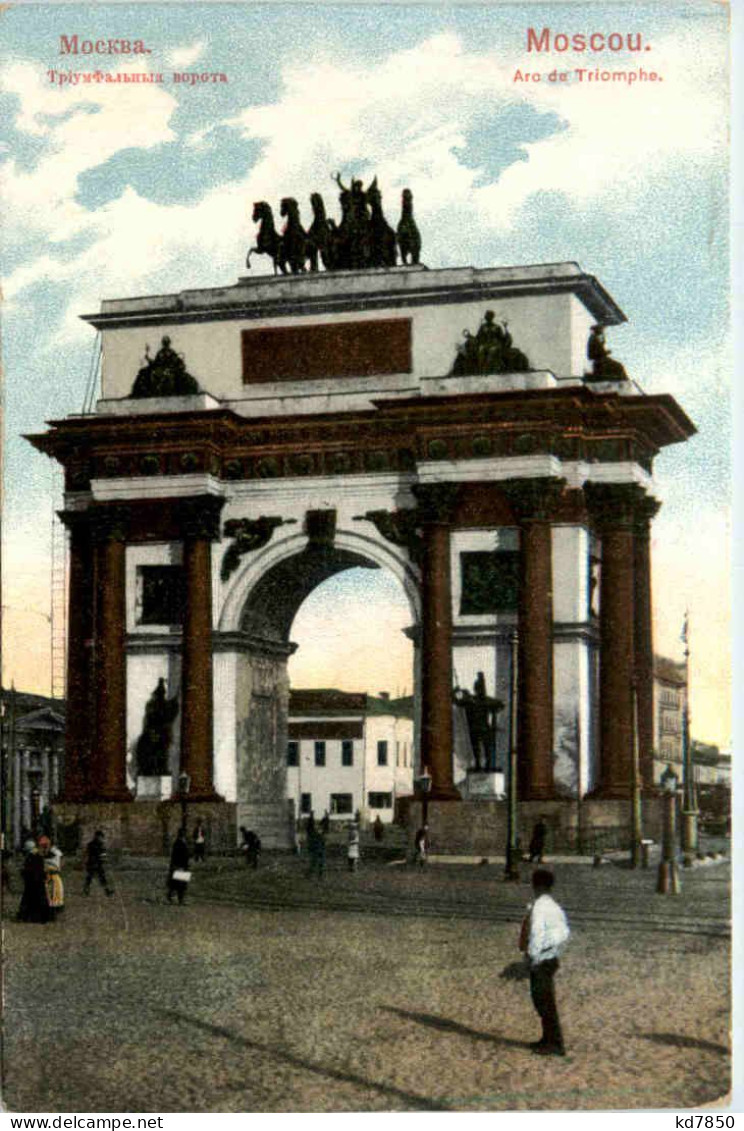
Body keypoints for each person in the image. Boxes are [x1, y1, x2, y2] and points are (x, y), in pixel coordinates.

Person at [519, 869, 570, 1057]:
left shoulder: (540, 907)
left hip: (541, 959)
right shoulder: (553, 906)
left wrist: (532, 956)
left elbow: (536, 933)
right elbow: (564, 931)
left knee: (543, 1001)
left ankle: (555, 1043)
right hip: (551, 958)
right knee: (543, 999)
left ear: (536, 885)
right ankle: (548, 1038)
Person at [17, 842, 50, 922]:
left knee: (29, 900)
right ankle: (43, 917)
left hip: (31, 883)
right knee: (41, 900)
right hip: (39, 882)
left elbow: (28, 871)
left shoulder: (29, 858)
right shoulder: (39, 857)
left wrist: (23, 873)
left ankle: (27, 917)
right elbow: (42, 870)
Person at [39, 836, 64, 919]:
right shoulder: (44, 852)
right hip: (47, 877)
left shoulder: (55, 852)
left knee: (55, 894)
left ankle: (53, 913)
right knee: (48, 895)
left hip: (53, 876)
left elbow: (59, 862)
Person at [83, 830, 114, 897]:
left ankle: (107, 891)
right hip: (92, 863)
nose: (100, 838)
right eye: (100, 837)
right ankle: (86, 890)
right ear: (97, 836)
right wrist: (85, 862)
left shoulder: (100, 844)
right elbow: (87, 854)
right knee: (89, 878)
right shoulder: (91, 844)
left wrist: (104, 859)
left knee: (102, 878)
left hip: (98, 863)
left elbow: (103, 854)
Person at [167, 827, 191, 905]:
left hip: (183, 865)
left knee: (180, 884)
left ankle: (178, 898)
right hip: (179, 865)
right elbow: (176, 856)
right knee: (179, 884)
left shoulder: (183, 842)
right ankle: (178, 899)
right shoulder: (178, 842)